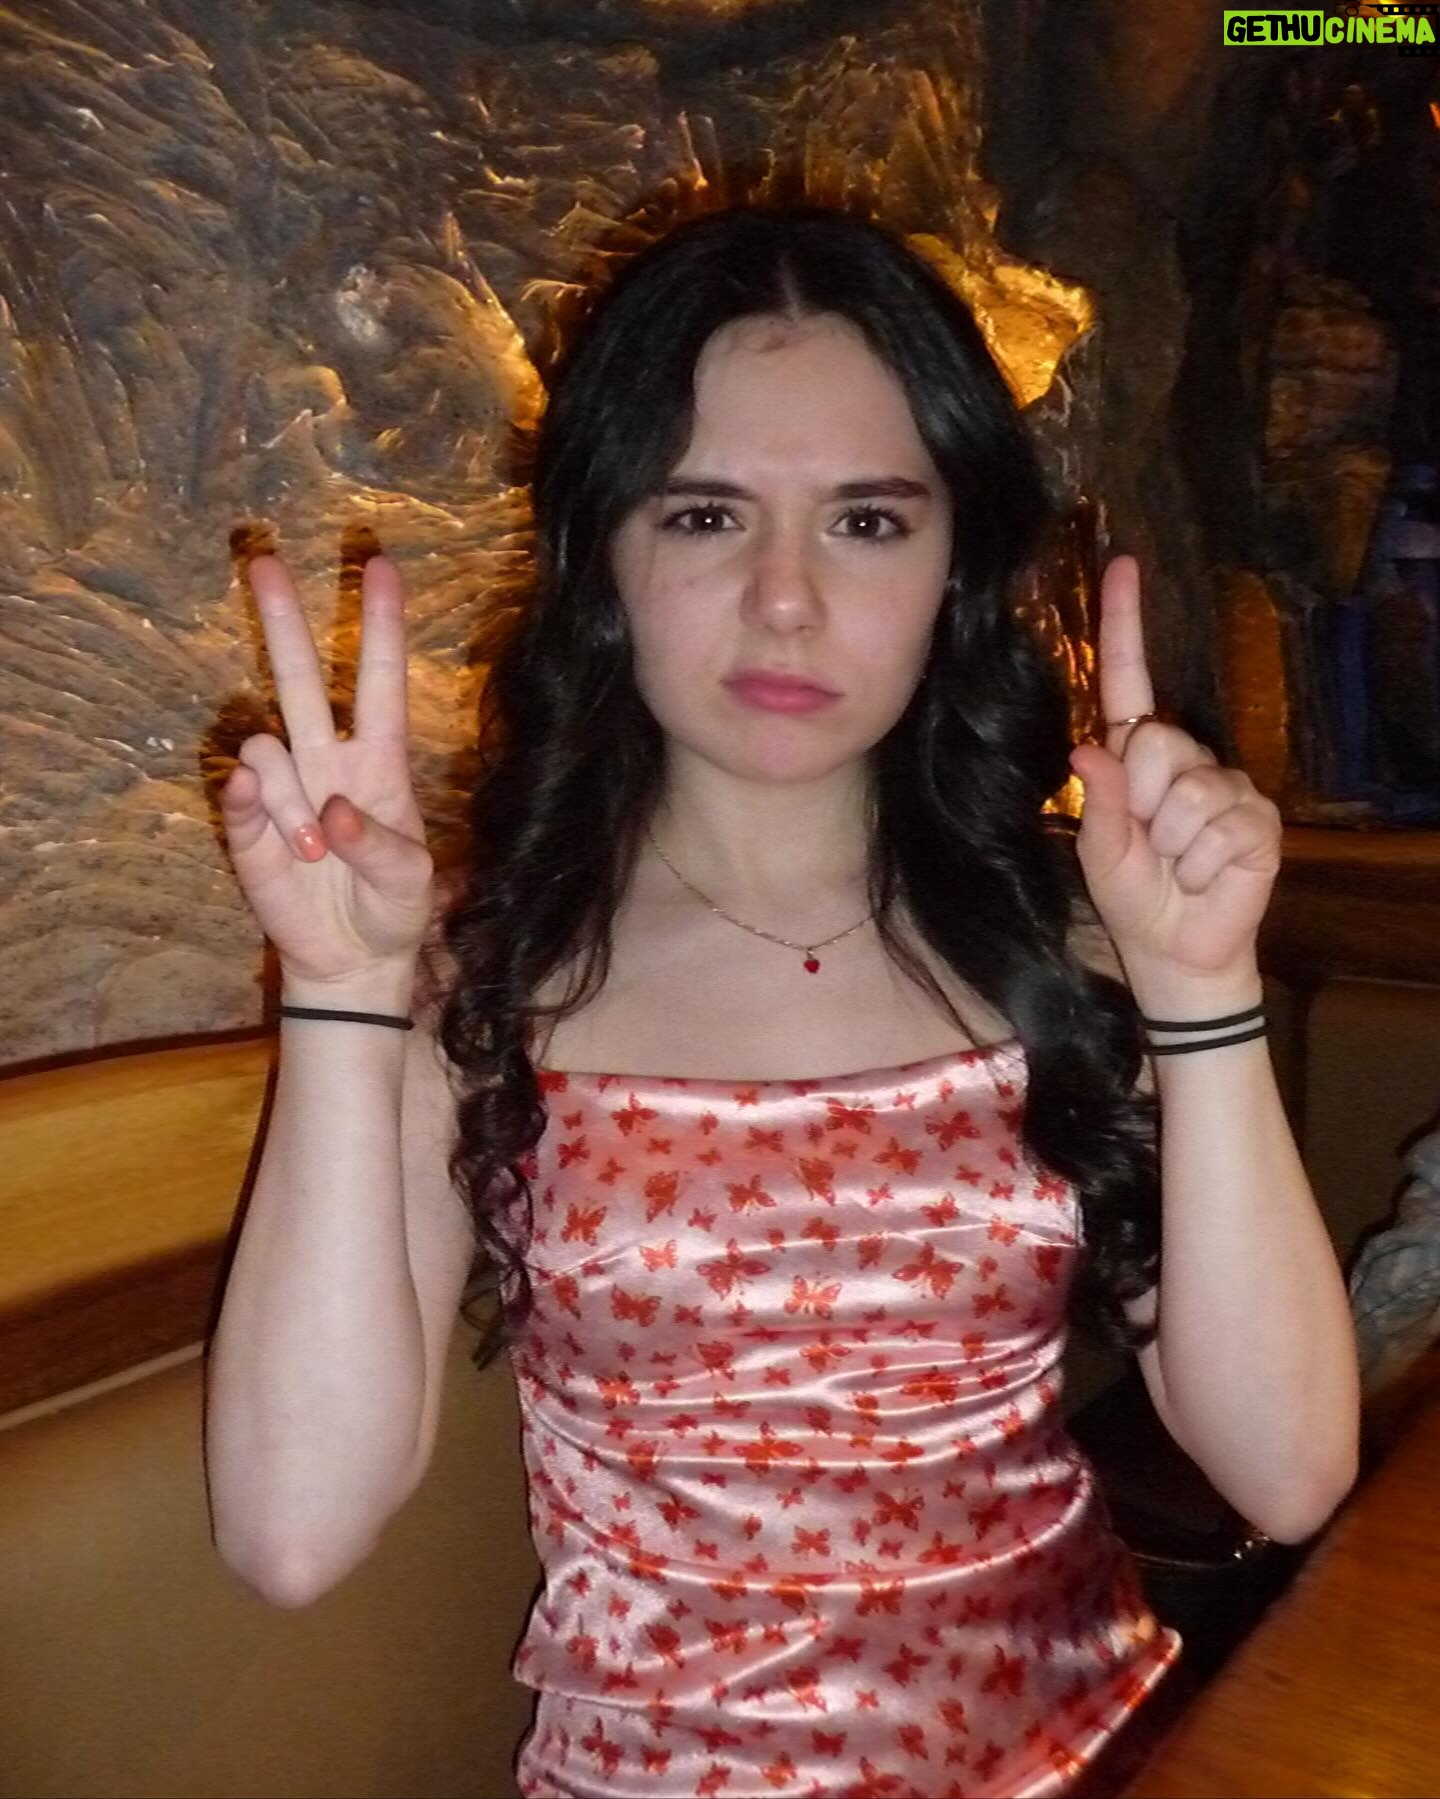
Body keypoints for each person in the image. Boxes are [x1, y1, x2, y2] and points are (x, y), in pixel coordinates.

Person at [205, 202, 1360, 1798]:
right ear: (604, 555)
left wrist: (1202, 988)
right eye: (705, 515)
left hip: (1096, 1753)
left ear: (956, 564)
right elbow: (290, 1532)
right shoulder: (484, 984)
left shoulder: (1075, 946)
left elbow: (1288, 1473)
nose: (787, 598)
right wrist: (340, 992)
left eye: (868, 521)